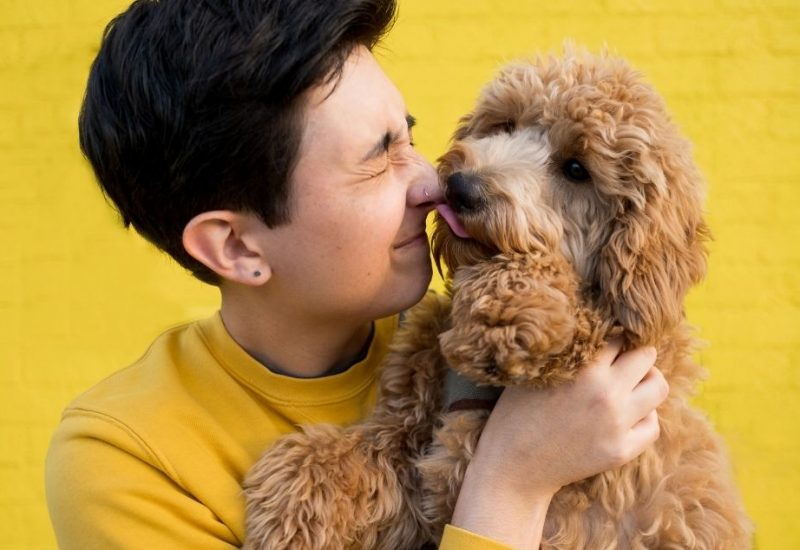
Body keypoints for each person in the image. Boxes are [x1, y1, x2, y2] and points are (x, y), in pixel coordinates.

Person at [45, 0, 668, 548]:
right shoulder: (125, 460)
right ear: (235, 247)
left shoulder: (514, 348)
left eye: (410, 136)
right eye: (378, 160)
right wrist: (513, 482)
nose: (433, 182)